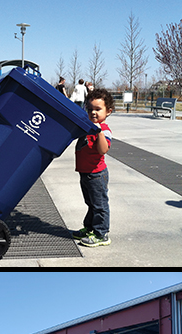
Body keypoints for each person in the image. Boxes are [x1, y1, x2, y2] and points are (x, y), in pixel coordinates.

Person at [72, 88, 115, 247]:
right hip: (85, 173)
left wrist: (99, 133)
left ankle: (101, 234)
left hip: (97, 175)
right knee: (91, 203)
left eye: (98, 109)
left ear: (108, 111)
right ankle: (89, 228)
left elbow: (103, 149)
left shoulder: (104, 130)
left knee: (100, 205)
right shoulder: (88, 126)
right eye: (90, 109)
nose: (93, 113)